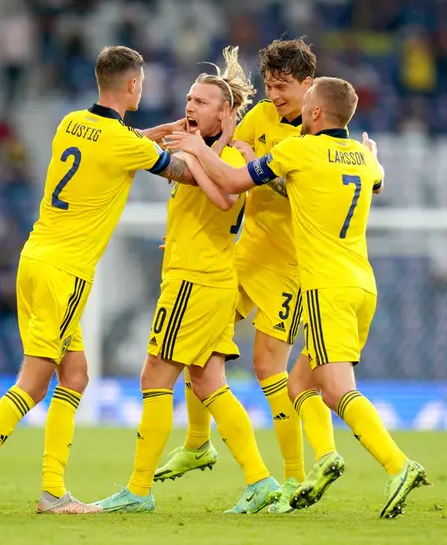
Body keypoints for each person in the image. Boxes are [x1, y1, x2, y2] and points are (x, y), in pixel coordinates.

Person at [0, 45, 207, 516]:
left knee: (74, 375)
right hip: (66, 270)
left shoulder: (71, 123)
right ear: (134, 85)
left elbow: (116, 144)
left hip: (35, 257)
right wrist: (207, 150)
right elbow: (185, 174)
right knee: (34, 383)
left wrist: (158, 134)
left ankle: (53, 492)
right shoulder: (124, 143)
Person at [166, 77, 429, 519]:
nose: (298, 109)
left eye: (306, 101)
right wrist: (374, 160)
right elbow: (378, 181)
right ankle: (324, 457)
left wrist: (196, 148)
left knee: (337, 389)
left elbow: (231, 180)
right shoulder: (365, 158)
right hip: (363, 284)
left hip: (325, 285)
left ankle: (399, 465)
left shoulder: (299, 150)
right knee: (299, 384)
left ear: (317, 113)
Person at [93, 47, 281, 515]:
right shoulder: (199, 144)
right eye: (189, 98)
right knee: (207, 380)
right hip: (205, 273)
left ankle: (138, 489)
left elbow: (223, 198)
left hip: (196, 281)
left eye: (201, 101)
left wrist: (197, 150)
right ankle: (260, 481)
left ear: (226, 113)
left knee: (155, 375)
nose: (189, 106)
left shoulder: (235, 154)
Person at [154, 37, 322, 514]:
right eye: (269, 85)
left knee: (268, 367)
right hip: (243, 253)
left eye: (283, 87)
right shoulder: (261, 117)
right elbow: (226, 158)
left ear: (308, 86)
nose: (275, 95)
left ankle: (291, 480)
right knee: (199, 343)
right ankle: (195, 442)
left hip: (289, 264)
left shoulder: (319, 132)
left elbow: (249, 181)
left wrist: (257, 167)